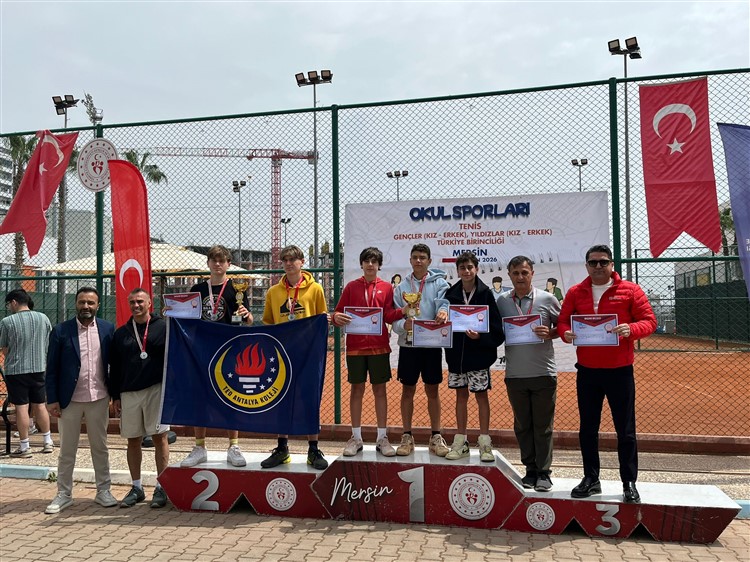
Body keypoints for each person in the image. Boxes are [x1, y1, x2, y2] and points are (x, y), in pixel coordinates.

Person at [557, 244, 656, 504]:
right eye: (593, 262)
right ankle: (591, 478)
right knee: (588, 429)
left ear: (612, 265)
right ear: (587, 266)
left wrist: (631, 329)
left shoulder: (630, 290)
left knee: (626, 430)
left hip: (620, 371)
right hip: (587, 371)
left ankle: (629, 482)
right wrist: (566, 333)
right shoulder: (575, 292)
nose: (598, 266)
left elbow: (649, 321)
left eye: (603, 262)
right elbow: (563, 320)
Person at [44, 287, 117, 514]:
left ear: (98, 305)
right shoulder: (61, 331)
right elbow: (51, 368)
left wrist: (114, 395)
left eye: (90, 303)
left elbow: (114, 364)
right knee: (67, 449)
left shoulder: (107, 329)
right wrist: (52, 399)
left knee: (100, 447)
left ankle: (103, 490)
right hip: (70, 400)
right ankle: (63, 494)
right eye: (82, 302)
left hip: (99, 398)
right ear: (75, 304)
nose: (86, 306)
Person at [180, 244, 254, 469]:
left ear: (228, 264)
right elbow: (186, 318)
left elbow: (249, 321)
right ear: (208, 263)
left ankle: (233, 446)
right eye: (214, 260)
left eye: (222, 260)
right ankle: (199, 447)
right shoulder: (198, 289)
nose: (218, 264)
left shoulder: (236, 289)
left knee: (231, 396)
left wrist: (247, 315)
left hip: (230, 351)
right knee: (200, 398)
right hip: (202, 350)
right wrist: (173, 313)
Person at [331, 247, 406, 457]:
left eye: (374, 261)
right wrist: (336, 317)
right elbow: (338, 312)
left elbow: (389, 315)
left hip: (379, 347)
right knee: (356, 390)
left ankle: (382, 438)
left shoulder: (387, 288)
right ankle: (356, 437)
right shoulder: (351, 287)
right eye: (367, 261)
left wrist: (404, 311)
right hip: (355, 348)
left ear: (379, 265)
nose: (370, 265)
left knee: (380, 391)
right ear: (361, 264)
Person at [261, 245, 328, 470]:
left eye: (293, 260)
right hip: (282, 355)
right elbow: (268, 323)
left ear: (302, 262)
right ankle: (282, 448)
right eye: (285, 260)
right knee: (281, 400)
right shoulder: (273, 292)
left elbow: (321, 319)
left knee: (310, 399)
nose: (289, 264)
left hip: (309, 354)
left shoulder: (315, 289)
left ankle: (313, 449)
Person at [496, 256, 560, 492]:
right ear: (509, 275)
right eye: (515, 273)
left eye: (524, 272)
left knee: (543, 426)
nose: (520, 277)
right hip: (515, 374)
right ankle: (530, 470)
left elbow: (564, 326)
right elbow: (494, 330)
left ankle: (544, 473)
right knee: (522, 425)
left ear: (532, 273)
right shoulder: (502, 301)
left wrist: (551, 333)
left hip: (543, 372)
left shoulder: (547, 299)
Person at [110, 288, 170, 508]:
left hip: (156, 389)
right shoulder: (121, 333)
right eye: (132, 302)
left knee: (159, 437)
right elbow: (115, 367)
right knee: (133, 439)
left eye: (140, 301)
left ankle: (161, 487)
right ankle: (136, 487)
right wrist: (115, 395)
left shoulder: (164, 327)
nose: (136, 305)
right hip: (129, 392)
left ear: (149, 303)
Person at [443, 252, 503, 462]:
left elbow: (497, 328)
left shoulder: (486, 294)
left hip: (479, 357)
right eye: (462, 268)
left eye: (470, 267)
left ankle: (485, 442)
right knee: (461, 397)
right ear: (458, 271)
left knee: (481, 397)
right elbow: (444, 324)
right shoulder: (450, 294)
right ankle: (461, 441)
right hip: (457, 358)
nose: (466, 271)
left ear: (476, 269)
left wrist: (480, 337)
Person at [392, 243, 450, 457]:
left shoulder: (440, 283)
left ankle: (436, 436)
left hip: (431, 344)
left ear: (429, 261)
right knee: (407, 390)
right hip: (409, 345)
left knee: (432, 390)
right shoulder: (401, 288)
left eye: (422, 257)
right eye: (415, 257)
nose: (418, 260)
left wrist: (443, 311)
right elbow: (395, 318)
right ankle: (407, 436)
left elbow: (445, 303)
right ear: (410, 260)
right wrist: (403, 325)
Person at [0, 289, 54, 457]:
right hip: (39, 367)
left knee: (21, 407)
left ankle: (24, 446)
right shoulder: (43, 318)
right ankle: (48, 441)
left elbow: (4, 348)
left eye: (9, 304)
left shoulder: (7, 322)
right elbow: (48, 343)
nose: (9, 307)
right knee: (40, 405)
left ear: (14, 302)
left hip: (16, 370)